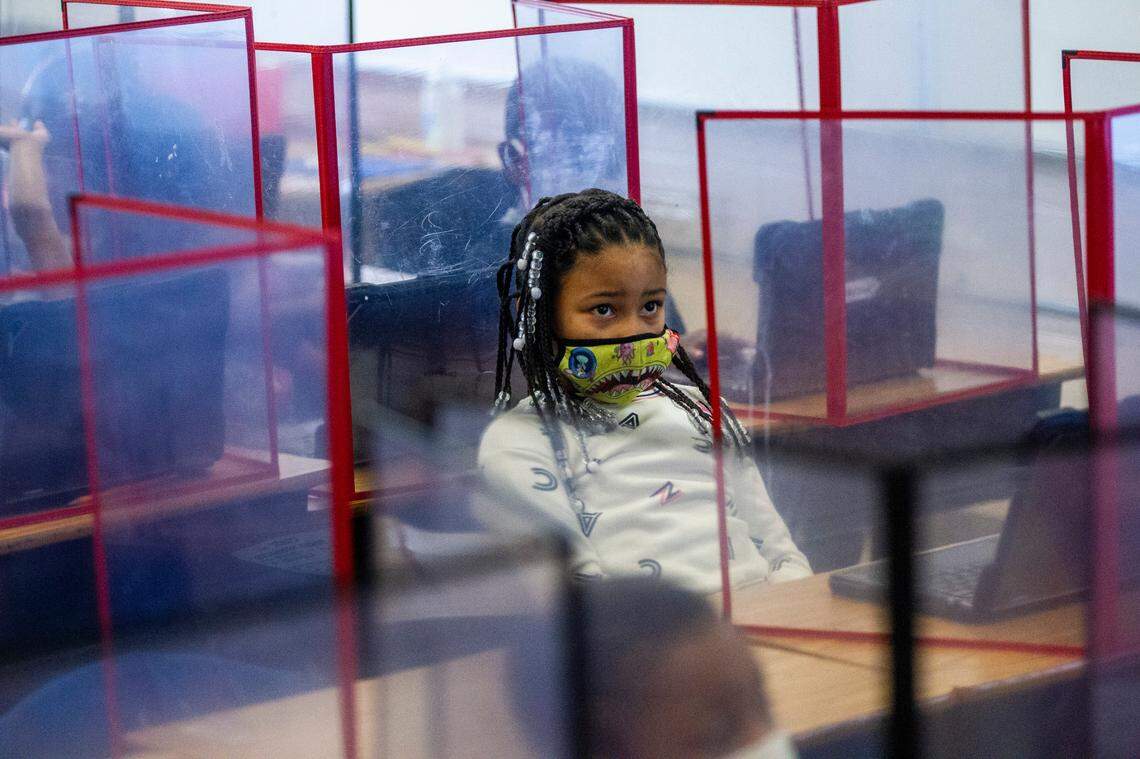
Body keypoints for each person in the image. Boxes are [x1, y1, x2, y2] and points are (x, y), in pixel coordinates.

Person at [477, 189, 810, 594]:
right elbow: (582, 602)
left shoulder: (701, 410)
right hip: (645, 644)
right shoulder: (519, 441)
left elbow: (781, 553)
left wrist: (789, 611)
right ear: (537, 316)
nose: (633, 332)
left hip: (762, 622)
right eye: (604, 310)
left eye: (650, 306)